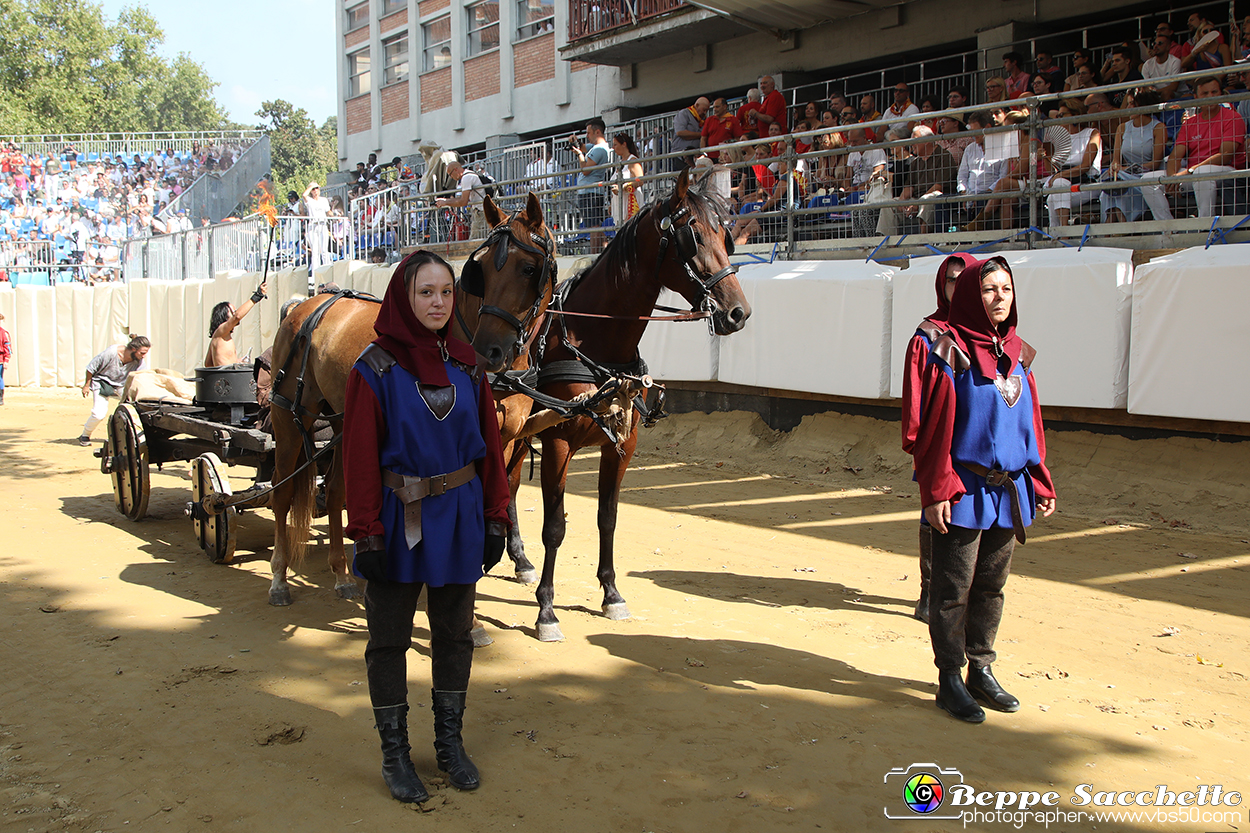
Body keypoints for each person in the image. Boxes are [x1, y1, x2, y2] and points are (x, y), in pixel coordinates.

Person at [342, 250, 510, 803]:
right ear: (402, 297)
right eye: (425, 293)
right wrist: (365, 532)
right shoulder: (374, 369)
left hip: (460, 518)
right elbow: (360, 457)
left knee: (454, 634)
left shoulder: (468, 367)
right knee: (388, 640)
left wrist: (495, 518)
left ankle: (448, 744)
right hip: (398, 519)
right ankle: (394, 754)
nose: (437, 303)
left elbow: (490, 451)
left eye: (444, 293)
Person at [913, 257, 1057, 723]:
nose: (999, 298)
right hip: (964, 489)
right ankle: (950, 678)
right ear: (974, 294)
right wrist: (937, 491)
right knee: (953, 588)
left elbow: (1029, 423)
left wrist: (1038, 477)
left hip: (1008, 490)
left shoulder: (1021, 354)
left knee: (991, 587)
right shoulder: (948, 351)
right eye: (989, 289)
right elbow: (935, 430)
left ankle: (981, 669)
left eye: (1006, 289)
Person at [901, 253, 976, 622]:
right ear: (941, 285)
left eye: (965, 280)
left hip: (978, 444)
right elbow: (916, 397)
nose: (957, 287)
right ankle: (930, 589)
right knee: (935, 514)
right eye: (951, 280)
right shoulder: (928, 336)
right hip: (940, 442)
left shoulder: (986, 333)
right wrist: (921, 445)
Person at [1139, 76, 1246, 219]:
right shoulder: (1191, 123)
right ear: (1196, 97)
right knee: (1147, 179)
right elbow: (1175, 155)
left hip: (1225, 171)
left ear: (1220, 94)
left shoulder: (1233, 117)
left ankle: (1205, 227)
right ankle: (1169, 229)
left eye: (1214, 92)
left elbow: (1225, 156)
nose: (1210, 97)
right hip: (1193, 173)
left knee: (1201, 172)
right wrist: (1172, 178)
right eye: (1205, 93)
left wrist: (1189, 171)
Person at [79, 335, 151, 445]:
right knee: (99, 414)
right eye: (142, 353)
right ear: (133, 349)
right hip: (102, 382)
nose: (144, 356)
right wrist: (86, 385)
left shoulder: (139, 361)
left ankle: (134, 437)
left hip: (121, 385)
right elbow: (91, 368)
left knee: (136, 408)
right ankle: (85, 435)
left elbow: (141, 375)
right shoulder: (112, 353)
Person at [1044, 102, 1102, 227]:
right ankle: (1061, 233)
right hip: (1064, 184)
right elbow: (1052, 171)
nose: (1058, 119)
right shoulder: (1060, 138)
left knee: (1053, 195)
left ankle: (1061, 232)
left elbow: (1086, 165)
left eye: (1062, 115)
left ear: (1075, 115)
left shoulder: (1092, 133)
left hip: (1087, 183)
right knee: (1054, 193)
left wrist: (1058, 176)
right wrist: (1045, 157)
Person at [570, 117, 612, 249]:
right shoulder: (595, 148)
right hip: (588, 191)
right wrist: (574, 142)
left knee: (593, 226)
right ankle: (605, 249)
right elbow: (582, 147)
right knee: (594, 225)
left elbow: (586, 169)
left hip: (591, 192)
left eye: (588, 133)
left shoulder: (600, 149)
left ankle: (593, 255)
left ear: (597, 132)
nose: (587, 136)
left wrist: (579, 154)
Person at [205, 282, 268, 367]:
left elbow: (208, 364)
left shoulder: (217, 337)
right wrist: (256, 297)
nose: (236, 313)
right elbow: (237, 316)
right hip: (227, 378)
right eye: (233, 312)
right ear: (224, 315)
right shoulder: (221, 331)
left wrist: (237, 362)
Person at [436, 160, 487, 240]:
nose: (451, 177)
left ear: (455, 169)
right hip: (481, 211)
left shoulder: (466, 178)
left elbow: (463, 201)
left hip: (481, 212)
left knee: (474, 243)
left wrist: (445, 202)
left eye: (450, 174)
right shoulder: (470, 174)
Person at [609, 132, 645, 225]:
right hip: (619, 206)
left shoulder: (632, 160)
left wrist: (623, 187)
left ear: (624, 144)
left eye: (615, 144)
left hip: (630, 205)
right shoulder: (619, 162)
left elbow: (640, 180)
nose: (613, 147)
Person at [672, 97, 710, 169]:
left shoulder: (704, 119)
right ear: (697, 105)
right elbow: (680, 133)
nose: (705, 112)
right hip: (681, 156)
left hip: (696, 158)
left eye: (707, 110)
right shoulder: (684, 114)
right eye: (704, 110)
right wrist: (701, 135)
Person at [303, 181, 331, 271]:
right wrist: (310, 186)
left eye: (317, 188)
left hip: (323, 224)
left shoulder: (324, 200)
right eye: (313, 189)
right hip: (313, 225)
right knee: (315, 251)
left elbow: (328, 211)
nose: (315, 190)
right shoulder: (310, 201)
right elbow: (304, 195)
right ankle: (316, 273)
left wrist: (335, 216)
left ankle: (327, 270)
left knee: (324, 250)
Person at [0, 311, 9, 406]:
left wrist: (6, 360)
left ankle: (0, 398)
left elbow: (7, 347)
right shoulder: (3, 332)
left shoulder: (3, 333)